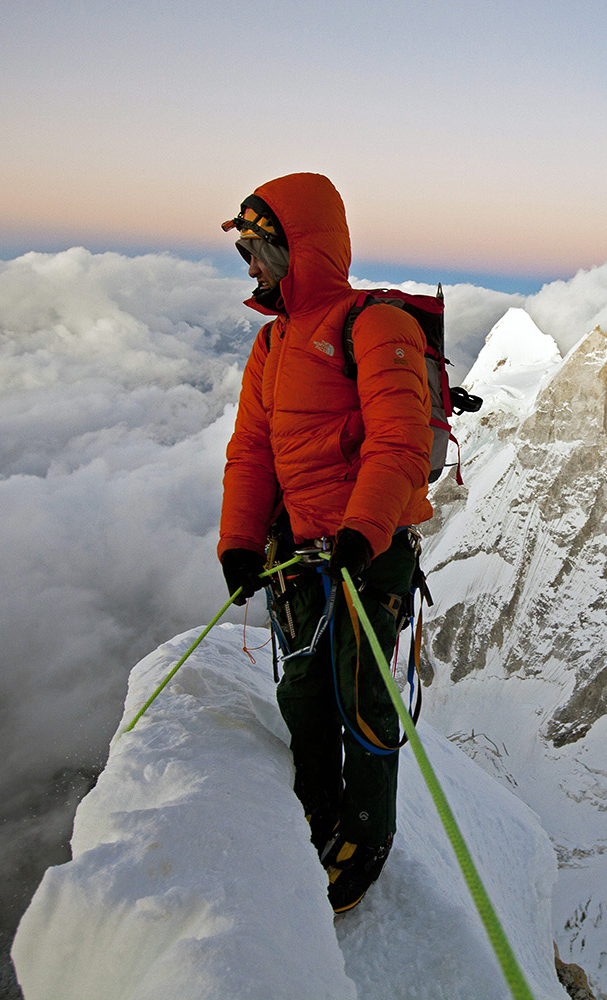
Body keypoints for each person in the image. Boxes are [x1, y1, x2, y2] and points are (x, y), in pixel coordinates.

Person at [217, 172, 433, 912]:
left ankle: (366, 837)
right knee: (304, 687)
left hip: (365, 553)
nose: (248, 266)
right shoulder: (272, 342)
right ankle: (314, 806)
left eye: (255, 248)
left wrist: (362, 533)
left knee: (363, 693)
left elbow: (400, 444)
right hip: (295, 554)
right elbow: (251, 451)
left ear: (294, 246)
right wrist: (240, 544)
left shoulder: (376, 324)